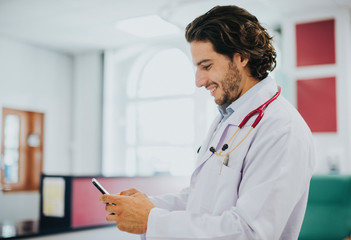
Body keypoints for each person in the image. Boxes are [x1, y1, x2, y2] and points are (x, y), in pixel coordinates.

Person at [100, 5, 315, 240]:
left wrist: (152, 220)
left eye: (207, 66)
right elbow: (201, 200)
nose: (199, 81)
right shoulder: (228, 118)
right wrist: (149, 206)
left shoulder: (281, 129)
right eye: (197, 67)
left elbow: (249, 232)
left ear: (242, 57)